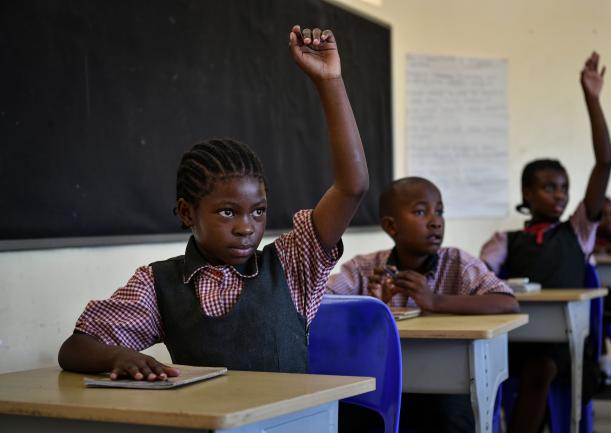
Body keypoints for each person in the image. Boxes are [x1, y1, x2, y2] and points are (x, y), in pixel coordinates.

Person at [58, 24, 369, 381]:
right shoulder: (158, 284)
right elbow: (75, 348)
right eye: (227, 212)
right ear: (188, 212)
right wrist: (116, 358)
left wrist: (329, 81)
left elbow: (353, 187)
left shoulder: (293, 263)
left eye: (258, 212)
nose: (246, 228)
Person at [479, 52, 611, 433]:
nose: (559, 195)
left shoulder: (579, 231)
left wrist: (592, 101)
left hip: (566, 348)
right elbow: (482, 276)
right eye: (548, 187)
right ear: (527, 192)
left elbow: (604, 164)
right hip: (516, 337)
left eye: (564, 188)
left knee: (540, 369)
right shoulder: (506, 239)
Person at [328, 176, 518, 433]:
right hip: (382, 383)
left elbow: (507, 302)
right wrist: (373, 307)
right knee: (348, 412)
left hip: (446, 383)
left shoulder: (458, 263)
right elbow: (322, 304)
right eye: (421, 211)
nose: (435, 221)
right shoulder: (365, 268)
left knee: (450, 414)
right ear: (390, 226)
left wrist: (435, 301)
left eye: (439, 211)